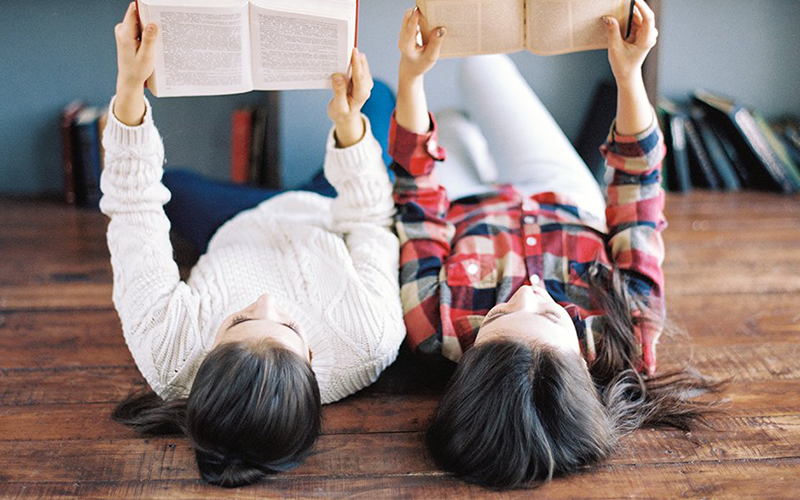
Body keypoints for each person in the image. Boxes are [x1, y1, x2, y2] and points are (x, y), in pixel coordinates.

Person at [391, 1, 717, 489]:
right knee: (484, 64)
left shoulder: (433, 329)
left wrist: (411, 79)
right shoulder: (627, 329)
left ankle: (457, 128)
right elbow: (638, 192)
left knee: (451, 118)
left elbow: (417, 202)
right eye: (548, 314)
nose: (526, 291)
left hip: (465, 203)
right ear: (583, 367)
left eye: (495, 318)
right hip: (560, 193)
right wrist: (630, 76)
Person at [103, 2, 405, 487]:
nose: (266, 300)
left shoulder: (168, 354)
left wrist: (130, 88)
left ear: (205, 366)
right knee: (379, 95)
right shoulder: (368, 339)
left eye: (240, 321)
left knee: (167, 182)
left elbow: (134, 206)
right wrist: (348, 130)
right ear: (312, 362)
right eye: (288, 323)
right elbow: (370, 220)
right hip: (325, 208)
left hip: (234, 223)